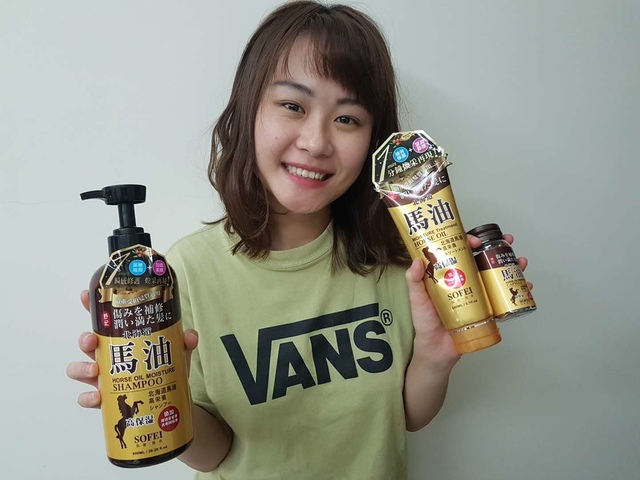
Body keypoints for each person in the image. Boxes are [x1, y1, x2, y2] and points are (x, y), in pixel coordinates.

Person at [67, 2, 529, 479]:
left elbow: (406, 417)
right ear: (249, 109)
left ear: (373, 140)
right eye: (293, 106)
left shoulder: (399, 260)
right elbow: (215, 454)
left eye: (347, 119)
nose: (316, 142)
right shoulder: (181, 273)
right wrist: (167, 396)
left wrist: (436, 354)